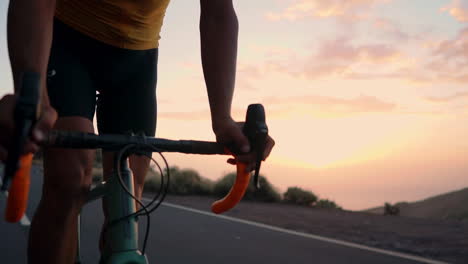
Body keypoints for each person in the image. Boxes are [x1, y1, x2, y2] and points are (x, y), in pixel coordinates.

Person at [0, 0, 275, 263]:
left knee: (128, 198)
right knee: (69, 178)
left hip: (136, 59)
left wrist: (222, 119)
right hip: (67, 41)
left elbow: (218, 12)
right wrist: (32, 95)